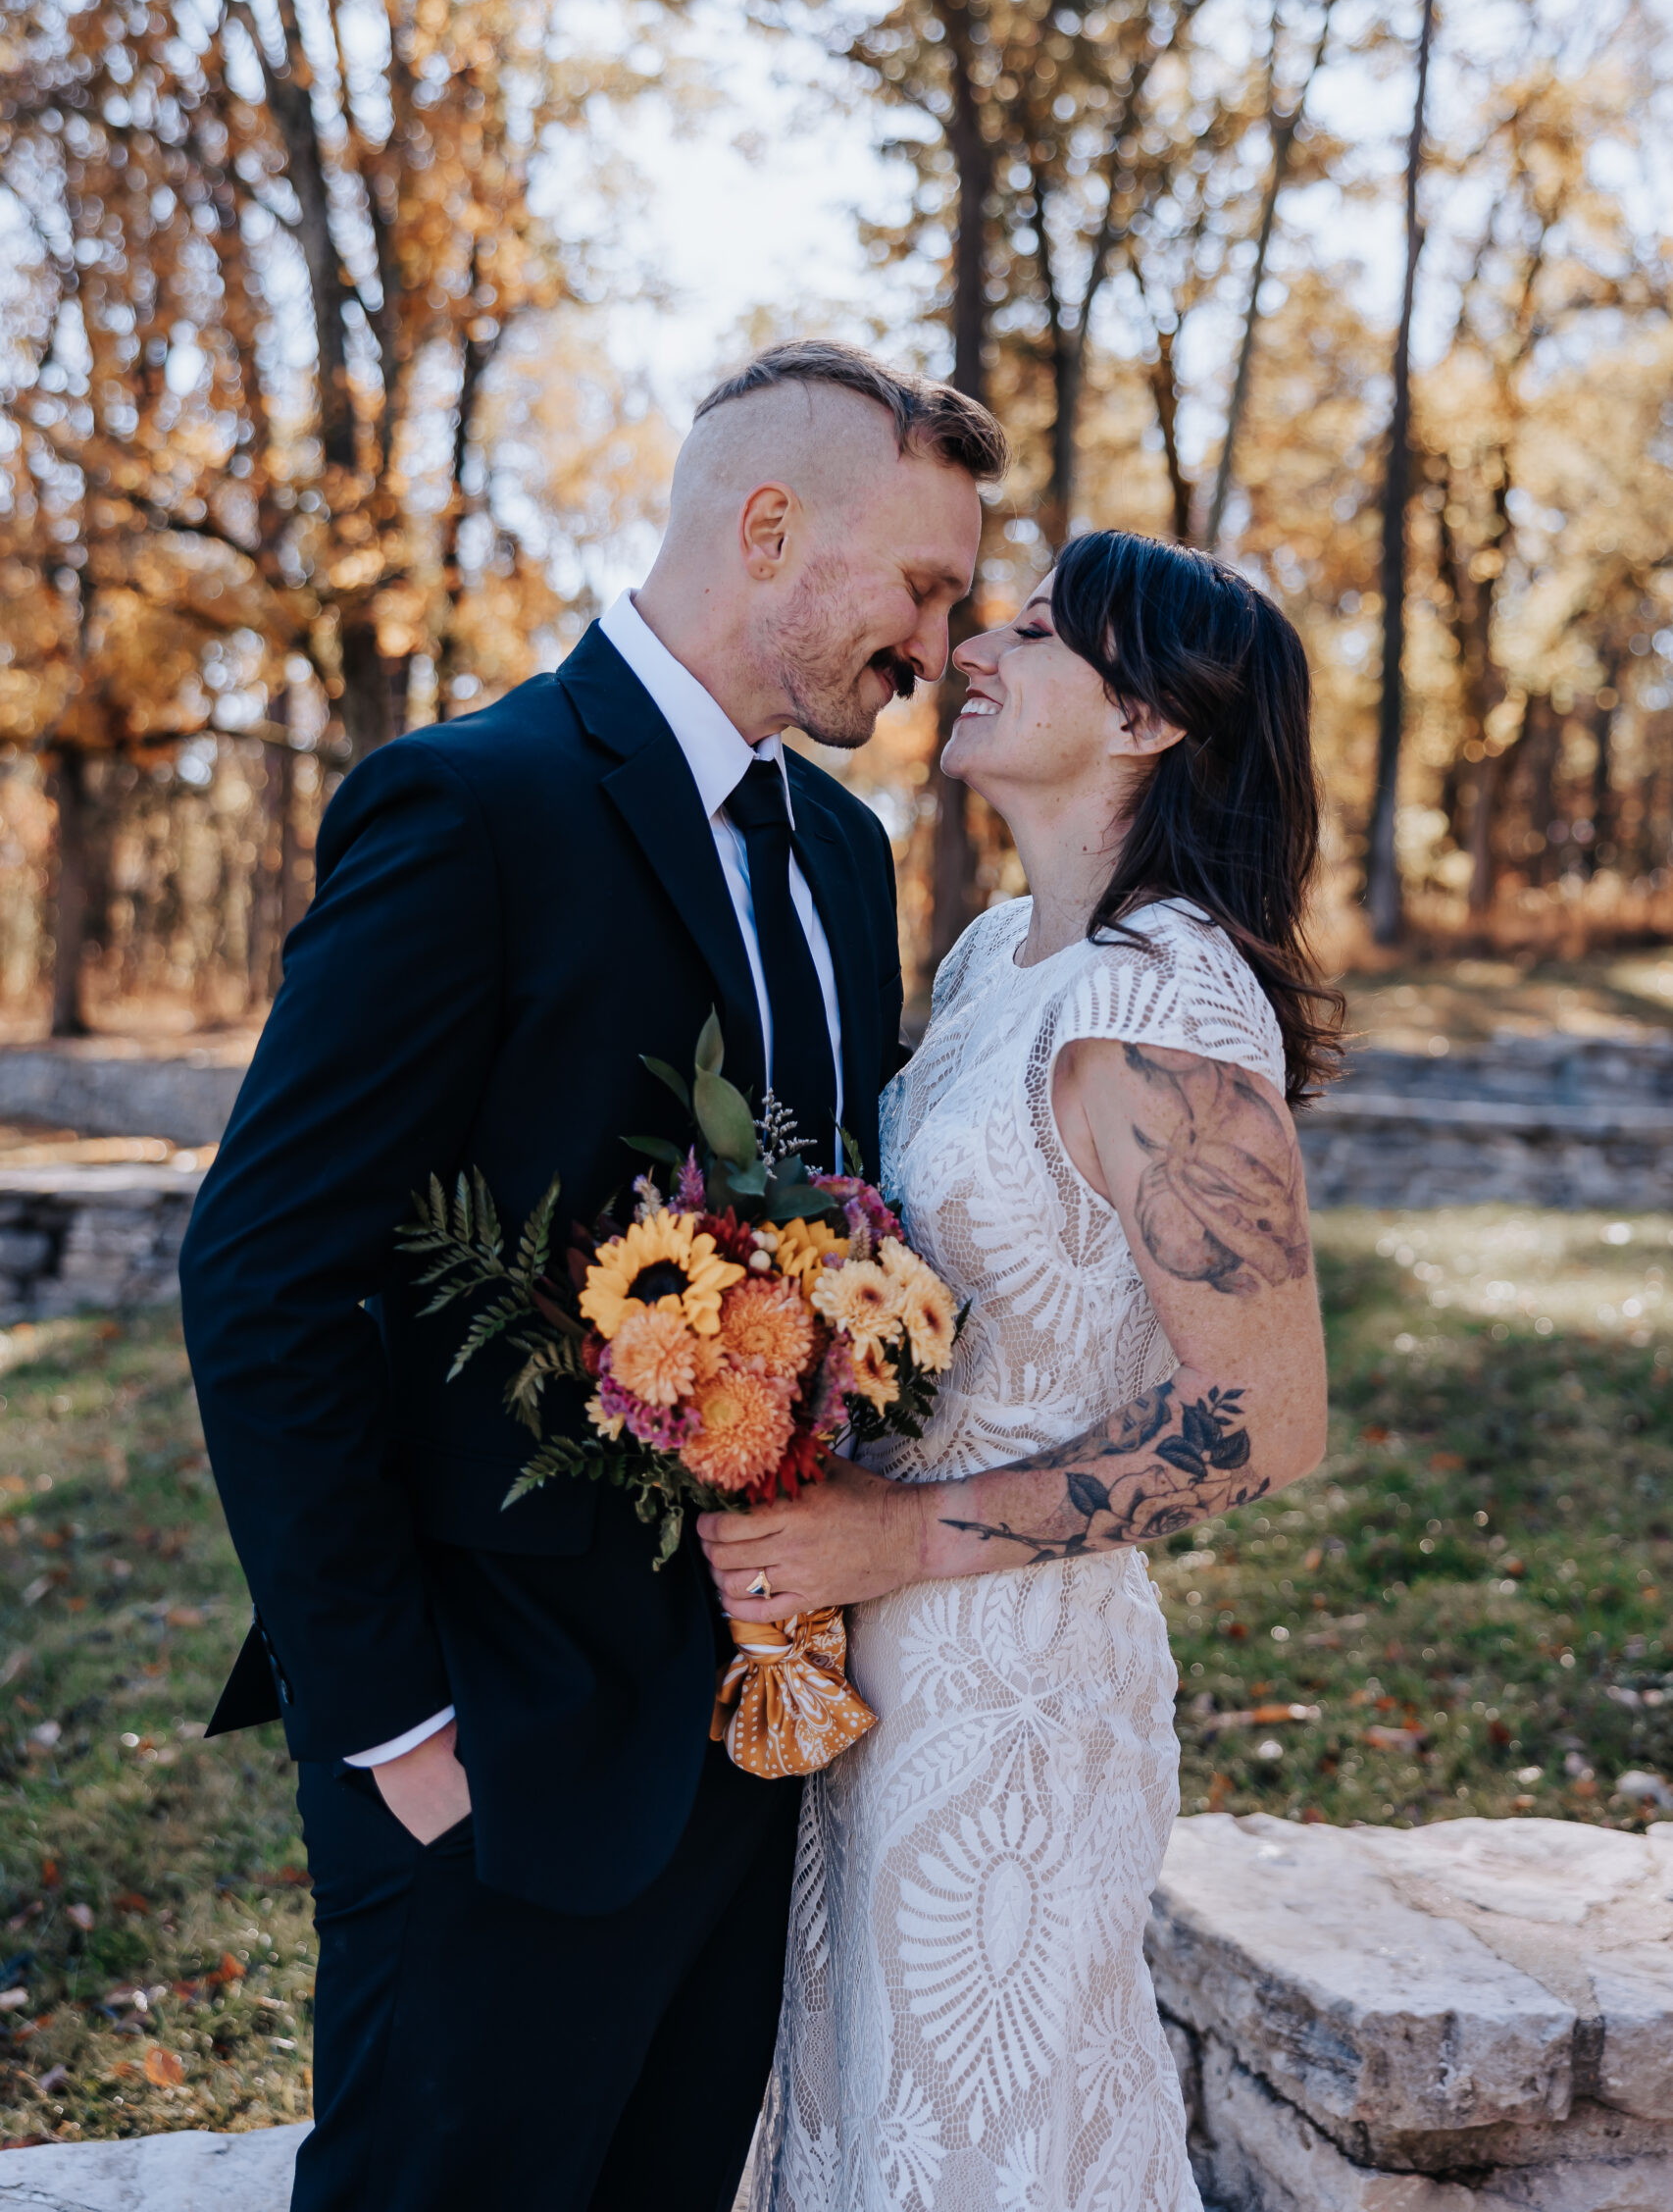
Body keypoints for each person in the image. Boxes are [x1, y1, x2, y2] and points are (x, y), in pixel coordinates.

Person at [177, 341, 1005, 2212]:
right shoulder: (473, 804)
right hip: (497, 1750)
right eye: (925, 587)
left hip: (752, 1747)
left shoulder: (846, 857)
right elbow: (261, 1271)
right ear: (770, 526)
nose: (941, 643)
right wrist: (396, 1733)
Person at [701, 530, 1339, 2212]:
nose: (976, 648)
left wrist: (900, 1542)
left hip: (1014, 1708)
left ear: (1144, 719)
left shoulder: (1165, 1011)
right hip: (870, 1676)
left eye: (1037, 631)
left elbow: (1261, 1420)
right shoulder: (1000, 959)